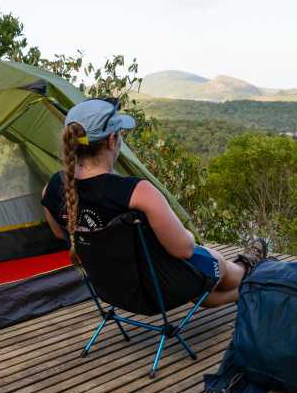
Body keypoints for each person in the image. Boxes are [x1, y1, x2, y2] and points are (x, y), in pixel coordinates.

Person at [41, 98, 267, 307]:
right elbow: (184, 250)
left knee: (203, 288)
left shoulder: (50, 189)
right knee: (213, 260)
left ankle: (248, 276)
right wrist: (189, 237)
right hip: (160, 288)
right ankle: (250, 270)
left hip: (113, 289)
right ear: (112, 140)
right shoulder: (137, 192)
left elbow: (62, 234)